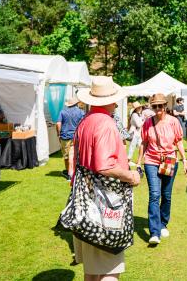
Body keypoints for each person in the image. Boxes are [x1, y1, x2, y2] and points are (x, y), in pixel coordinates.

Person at [72, 76, 141, 281]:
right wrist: (131, 176)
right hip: (106, 203)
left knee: (92, 271)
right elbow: (104, 165)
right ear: (112, 100)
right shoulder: (105, 123)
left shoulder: (85, 122)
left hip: (86, 201)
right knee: (110, 270)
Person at [137, 93, 187, 245]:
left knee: (166, 195)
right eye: (155, 106)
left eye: (160, 105)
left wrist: (185, 161)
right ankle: (154, 232)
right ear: (152, 107)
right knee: (154, 194)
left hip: (169, 160)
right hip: (151, 161)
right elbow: (144, 143)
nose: (158, 108)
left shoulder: (173, 122)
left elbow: (179, 141)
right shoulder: (147, 123)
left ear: (165, 106)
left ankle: (163, 223)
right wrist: (139, 162)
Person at [56, 95, 85, 180]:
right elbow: (84, 124)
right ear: (76, 103)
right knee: (75, 155)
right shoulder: (81, 112)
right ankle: (75, 172)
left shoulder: (62, 112)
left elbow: (58, 124)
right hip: (77, 136)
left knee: (66, 156)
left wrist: (58, 134)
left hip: (65, 136)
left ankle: (69, 173)